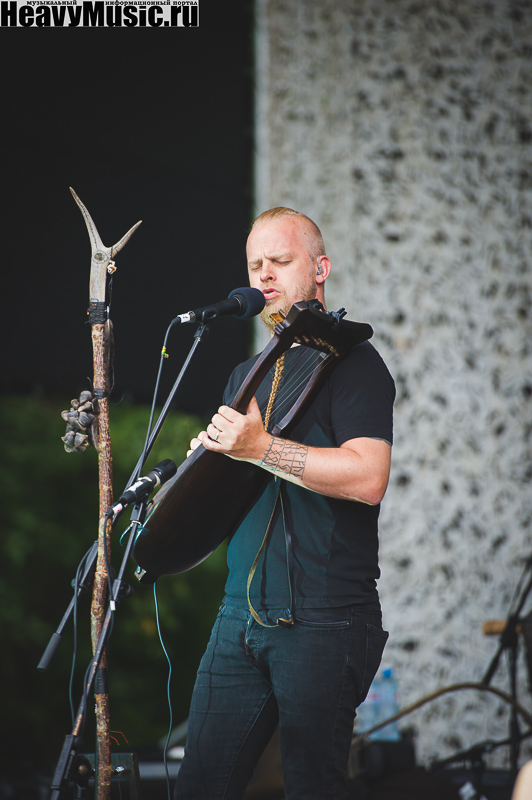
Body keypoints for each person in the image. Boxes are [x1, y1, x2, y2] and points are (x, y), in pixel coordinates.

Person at [174, 207, 395, 800]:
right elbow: (236, 482)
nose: (263, 274)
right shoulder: (246, 373)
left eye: (280, 260)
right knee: (198, 786)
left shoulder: (357, 365)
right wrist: (211, 460)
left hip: (325, 620)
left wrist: (260, 446)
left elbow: (369, 477)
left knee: (310, 787)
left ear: (320, 269)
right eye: (254, 265)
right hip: (238, 616)